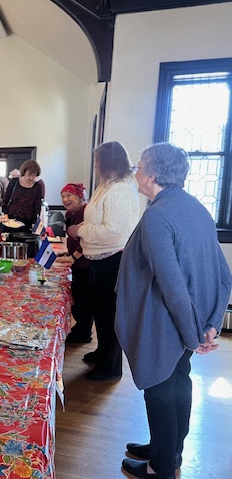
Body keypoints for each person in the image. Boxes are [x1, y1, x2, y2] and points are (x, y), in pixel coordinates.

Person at [116, 143, 231, 479]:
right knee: (179, 383)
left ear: (151, 175)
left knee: (160, 392)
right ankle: (167, 450)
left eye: (139, 166)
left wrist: (192, 334)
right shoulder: (195, 207)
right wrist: (209, 324)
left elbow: (172, 284)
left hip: (166, 324)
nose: (135, 171)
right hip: (188, 321)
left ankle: (160, 467)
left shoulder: (158, 215)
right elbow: (224, 276)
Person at [67, 141, 139, 381]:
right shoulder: (108, 185)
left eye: (98, 161)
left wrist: (81, 230)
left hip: (112, 261)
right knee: (101, 313)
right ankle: (102, 352)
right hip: (99, 259)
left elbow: (113, 231)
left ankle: (110, 367)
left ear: (108, 162)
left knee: (109, 317)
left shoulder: (119, 190)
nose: (95, 165)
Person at [60, 183, 93, 344]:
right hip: (76, 263)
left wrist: (74, 257)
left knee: (83, 299)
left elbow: (84, 239)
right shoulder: (69, 214)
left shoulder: (86, 212)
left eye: (69, 196)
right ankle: (80, 329)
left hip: (85, 263)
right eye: (63, 196)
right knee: (77, 297)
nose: (65, 199)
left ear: (80, 198)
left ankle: (84, 332)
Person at [2, 159, 43, 231]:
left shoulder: (37, 187)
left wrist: (34, 222)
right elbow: (5, 200)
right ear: (24, 172)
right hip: (10, 222)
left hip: (27, 224)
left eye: (34, 175)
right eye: (29, 175)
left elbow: (37, 207)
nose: (31, 178)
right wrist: (5, 213)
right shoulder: (14, 182)